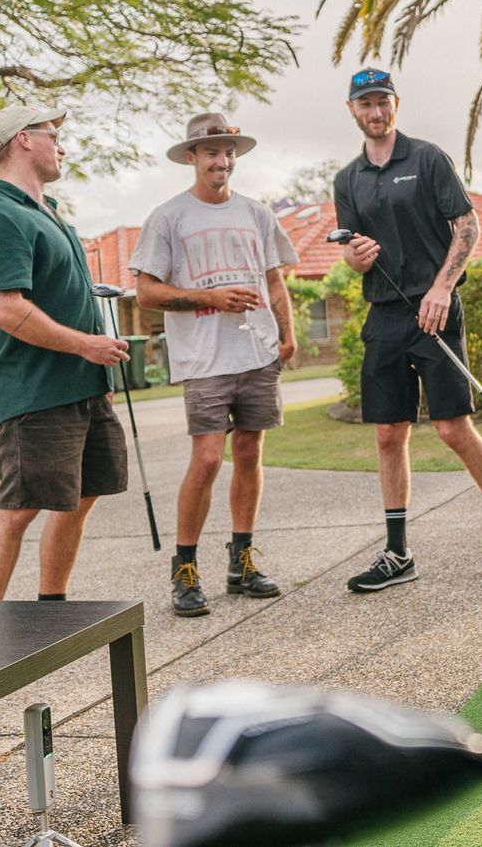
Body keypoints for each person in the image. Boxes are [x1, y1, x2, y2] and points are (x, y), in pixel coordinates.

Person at [332, 67, 482, 592]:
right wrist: (357, 256)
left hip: (435, 309)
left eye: (382, 101)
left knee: (451, 428)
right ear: (352, 110)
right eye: (365, 103)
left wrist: (442, 288)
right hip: (384, 314)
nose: (375, 112)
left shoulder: (427, 158)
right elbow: (352, 255)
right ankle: (398, 554)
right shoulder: (347, 179)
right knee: (388, 435)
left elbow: (468, 227)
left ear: (396, 104)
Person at [131, 112, 299, 617]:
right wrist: (211, 297)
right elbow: (145, 294)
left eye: (227, 152)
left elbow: (274, 281)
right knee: (206, 459)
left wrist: (287, 335)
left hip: (257, 353)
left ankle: (242, 562)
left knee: (249, 453)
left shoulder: (257, 212)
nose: (221, 160)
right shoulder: (168, 217)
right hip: (204, 358)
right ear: (191, 157)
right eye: (210, 152)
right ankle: (185, 569)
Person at [0, 104, 130, 601]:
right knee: (20, 507)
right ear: (22, 141)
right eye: (52, 135)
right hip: (36, 392)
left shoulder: (48, 213)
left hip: (82, 386)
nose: (61, 145)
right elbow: (4, 310)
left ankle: (52, 604)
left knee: (82, 494)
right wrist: (87, 345)